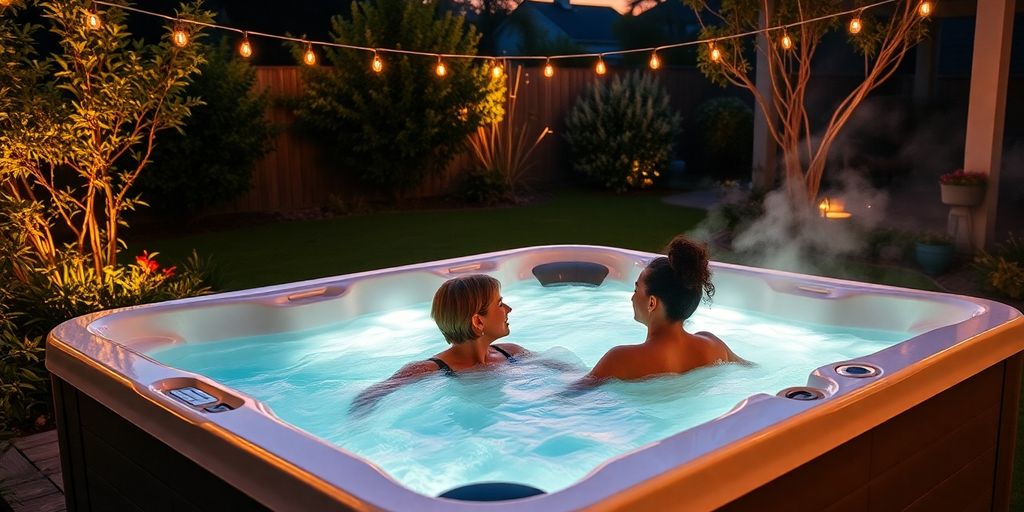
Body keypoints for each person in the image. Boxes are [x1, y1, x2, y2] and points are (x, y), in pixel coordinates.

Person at [579, 236, 747, 385]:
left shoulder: (621, 359)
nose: (632, 298)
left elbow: (571, 398)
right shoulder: (714, 346)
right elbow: (753, 372)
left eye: (636, 290)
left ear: (652, 303)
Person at [350, 274, 528, 413]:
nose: (509, 309)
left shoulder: (512, 353)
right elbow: (366, 399)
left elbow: (555, 368)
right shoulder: (427, 370)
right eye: (500, 304)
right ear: (478, 322)